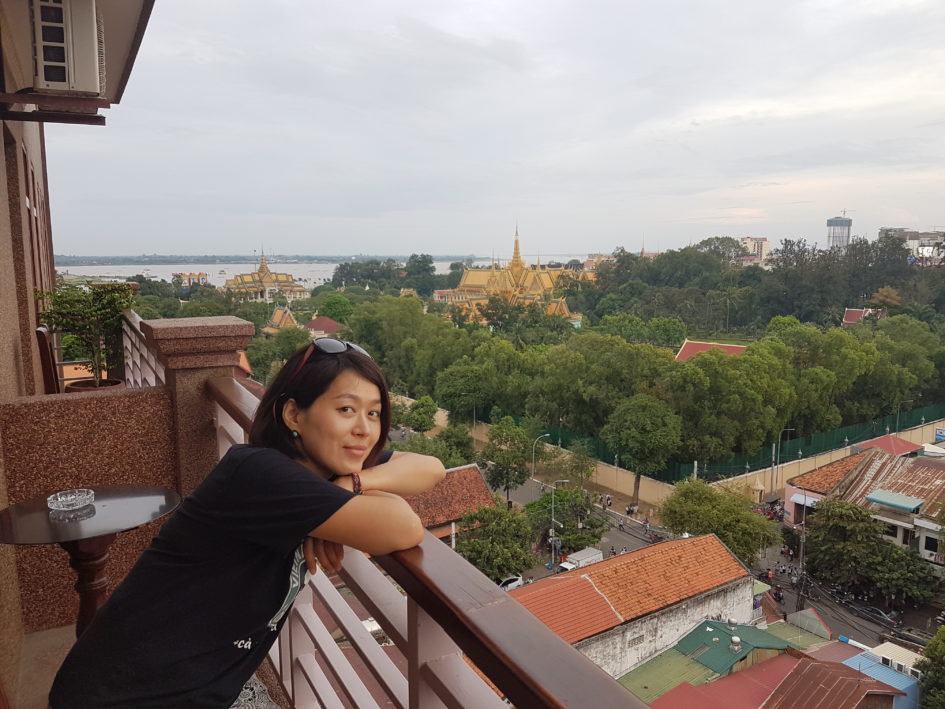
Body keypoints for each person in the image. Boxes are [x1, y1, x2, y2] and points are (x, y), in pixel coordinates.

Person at [49, 339, 446, 709]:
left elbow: (430, 468)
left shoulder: (323, 466)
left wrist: (351, 484)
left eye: (373, 412)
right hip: (129, 696)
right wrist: (345, 498)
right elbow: (404, 527)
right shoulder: (259, 473)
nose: (364, 428)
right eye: (346, 409)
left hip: (192, 685)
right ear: (294, 414)